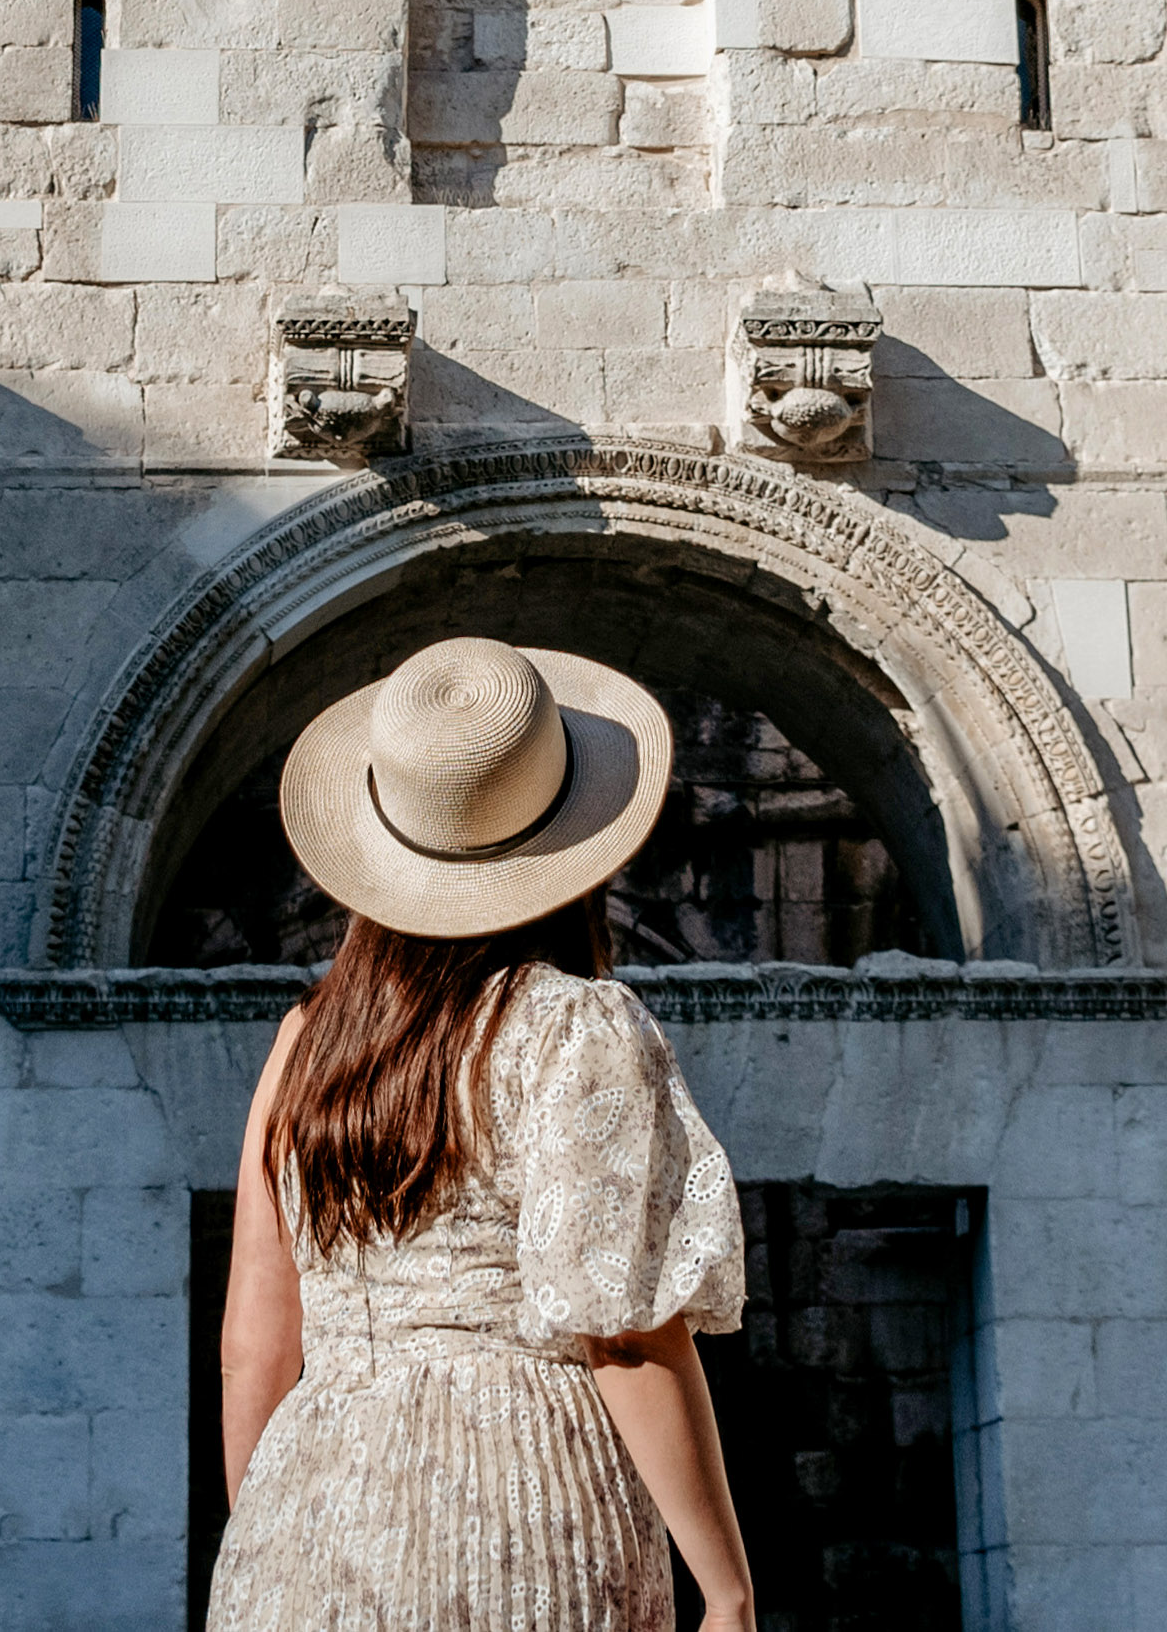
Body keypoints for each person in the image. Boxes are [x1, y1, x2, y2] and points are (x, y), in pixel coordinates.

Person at [210, 635, 758, 1632]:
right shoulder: (574, 1027)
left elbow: (253, 1344)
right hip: (525, 1493)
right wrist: (724, 1587)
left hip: (307, 1502)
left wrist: (267, 1532)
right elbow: (624, 1331)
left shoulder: (302, 1042)